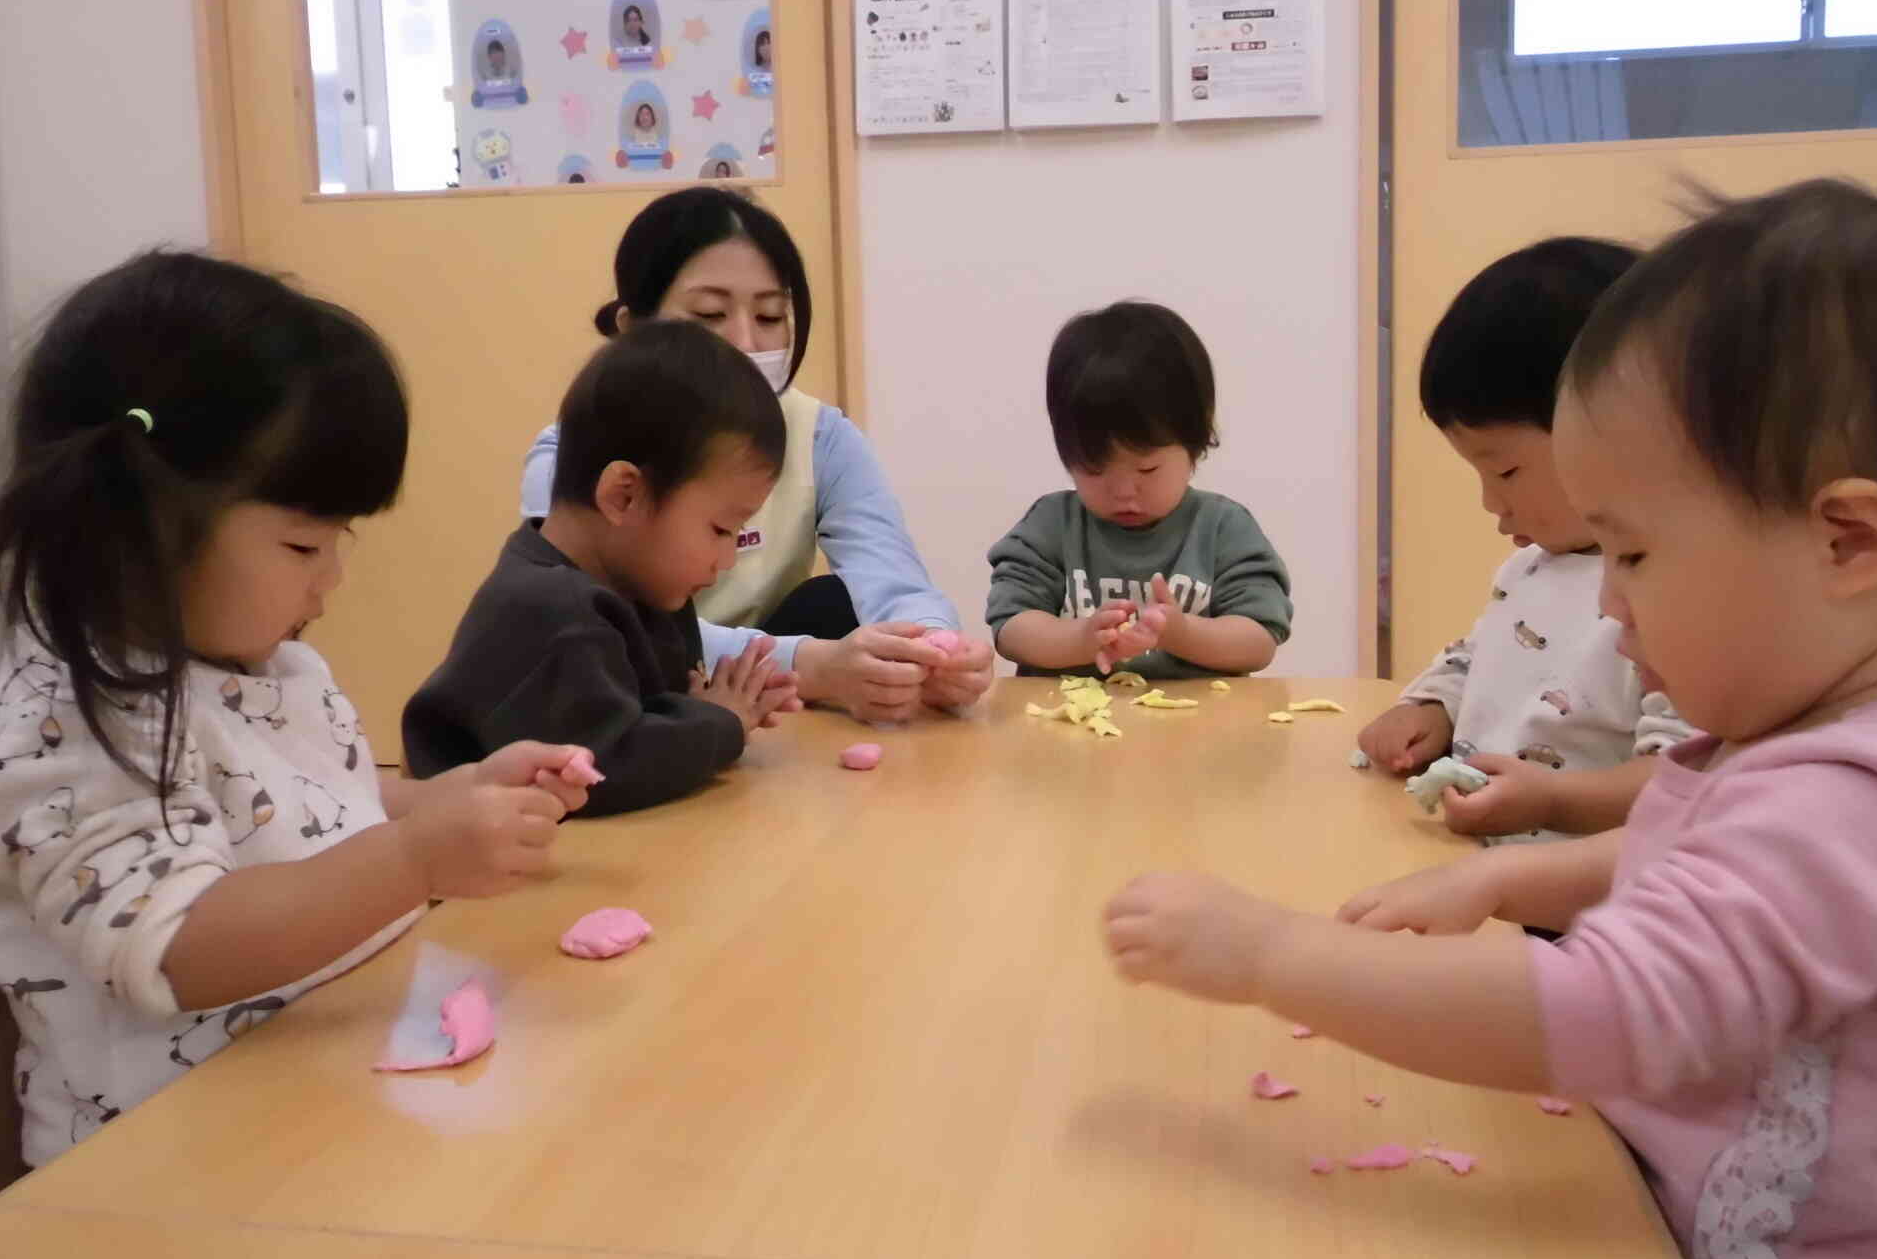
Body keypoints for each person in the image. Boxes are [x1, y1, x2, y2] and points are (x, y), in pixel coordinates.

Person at [1103, 179, 1877, 1259]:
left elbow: (1609, 1009)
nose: (1610, 607)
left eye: (1633, 555)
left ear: (1845, 539)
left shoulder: (1864, 803)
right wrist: (1503, 884)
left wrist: (1271, 956)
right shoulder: (1854, 732)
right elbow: (1690, 853)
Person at [0, 252, 591, 1168]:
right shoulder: (69, 716)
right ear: (138, 523)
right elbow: (178, 945)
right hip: (156, 1179)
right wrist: (416, 857)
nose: (333, 578)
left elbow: (308, 810)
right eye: (304, 542)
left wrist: (442, 800)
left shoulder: (266, 667)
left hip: (315, 1093)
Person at [520, 190, 990, 723]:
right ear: (634, 329)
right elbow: (603, 626)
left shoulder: (821, 438)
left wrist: (932, 649)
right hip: (635, 699)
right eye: (710, 313)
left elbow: (892, 579)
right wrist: (812, 664)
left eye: (770, 315)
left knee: (833, 602)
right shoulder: (571, 457)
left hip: (768, 699)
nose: (744, 341)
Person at [1358, 240, 1693, 843]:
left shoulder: (1677, 594)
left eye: (1506, 472)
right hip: (1482, 863)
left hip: (1578, 907)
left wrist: (1551, 802)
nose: (1491, 501)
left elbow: (1684, 781)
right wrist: (1432, 707)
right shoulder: (1531, 571)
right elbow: (1476, 657)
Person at [407, 323, 797, 814]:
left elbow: (652, 712)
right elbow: (604, 768)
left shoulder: (641, 584)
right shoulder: (550, 611)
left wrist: (701, 708)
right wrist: (722, 722)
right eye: (720, 530)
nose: (727, 558)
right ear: (624, 494)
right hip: (479, 879)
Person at [987, 302, 1291, 678]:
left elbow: (1260, 639)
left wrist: (1181, 634)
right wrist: (1080, 637)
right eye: (1096, 469)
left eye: (1147, 469)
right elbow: (1010, 628)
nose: (1124, 492)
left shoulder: (1223, 528)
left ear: (1195, 444)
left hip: (1200, 731)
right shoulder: (1051, 526)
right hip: (1066, 728)